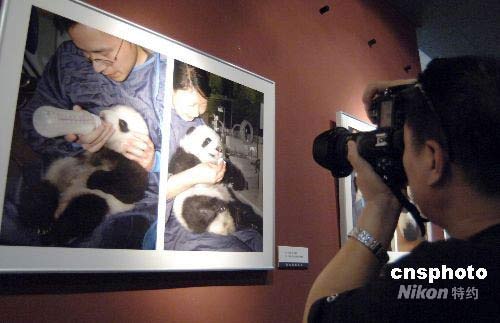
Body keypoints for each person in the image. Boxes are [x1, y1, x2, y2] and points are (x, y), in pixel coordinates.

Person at [304, 56, 500, 322]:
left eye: (405, 145)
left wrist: (380, 207)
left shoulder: (450, 275)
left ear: (433, 160)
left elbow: (320, 315)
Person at [1, 15, 166, 248]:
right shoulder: (69, 59)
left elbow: (167, 176)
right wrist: (70, 137)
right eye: (87, 56)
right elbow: (33, 122)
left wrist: (153, 161)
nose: (96, 68)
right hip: (59, 174)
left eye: (103, 54)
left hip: (117, 196)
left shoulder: (165, 83)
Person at [142, 61, 262, 251]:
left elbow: (213, 153)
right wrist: (194, 176)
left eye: (202, 106)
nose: (196, 113)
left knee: (256, 240)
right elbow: (148, 195)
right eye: (191, 104)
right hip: (174, 223)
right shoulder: (152, 122)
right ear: (169, 90)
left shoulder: (196, 122)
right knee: (238, 251)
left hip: (207, 207)